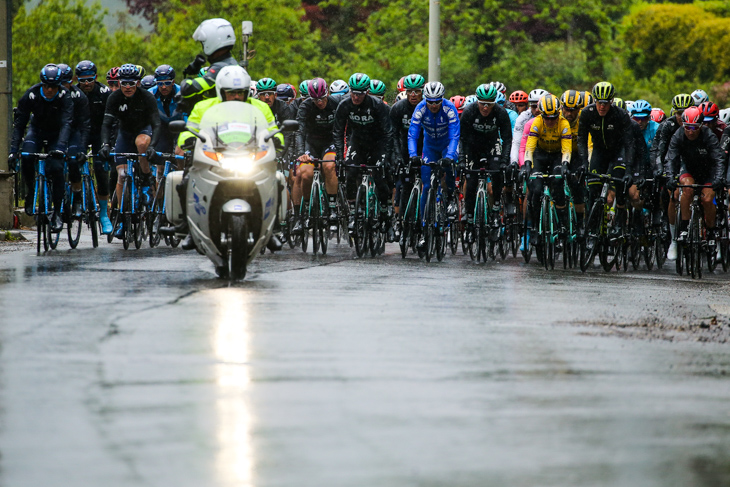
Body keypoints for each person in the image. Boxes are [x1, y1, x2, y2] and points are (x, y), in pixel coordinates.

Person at [176, 65, 284, 252]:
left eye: (240, 93)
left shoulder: (261, 107)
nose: (236, 97)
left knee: (277, 180)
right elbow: (187, 132)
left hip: (249, 157)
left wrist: (277, 139)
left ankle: (272, 229)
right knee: (185, 181)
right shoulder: (203, 107)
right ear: (221, 92)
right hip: (216, 158)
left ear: (247, 92)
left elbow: (274, 131)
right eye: (231, 93)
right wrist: (189, 139)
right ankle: (189, 229)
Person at [99, 64, 161, 239]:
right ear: (119, 83)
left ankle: (147, 179)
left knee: (141, 143)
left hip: (144, 131)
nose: (127, 87)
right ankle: (121, 216)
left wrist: (153, 147)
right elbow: (106, 124)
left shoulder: (147, 97)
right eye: (123, 83)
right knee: (122, 174)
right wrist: (104, 144)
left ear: (138, 83)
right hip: (124, 134)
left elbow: (156, 124)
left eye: (131, 84)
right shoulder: (114, 98)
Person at [9, 64, 73, 232]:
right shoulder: (31, 95)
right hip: (36, 131)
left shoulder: (65, 96)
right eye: (46, 86)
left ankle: (57, 212)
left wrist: (61, 148)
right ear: (42, 84)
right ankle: (30, 193)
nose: (49, 90)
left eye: (53, 86)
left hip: (56, 134)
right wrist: (13, 151)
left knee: (57, 168)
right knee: (27, 156)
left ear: (59, 86)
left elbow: (67, 124)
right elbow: (19, 125)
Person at [333, 73, 394, 233]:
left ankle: (384, 209)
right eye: (353, 92)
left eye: (359, 93)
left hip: (377, 143)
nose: (355, 96)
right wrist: (339, 156)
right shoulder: (345, 105)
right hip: (357, 142)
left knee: (379, 174)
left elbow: (388, 133)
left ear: (367, 92)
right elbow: (338, 132)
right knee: (350, 172)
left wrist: (386, 157)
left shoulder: (378, 105)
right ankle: (354, 212)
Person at [407, 81, 460, 250]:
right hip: (429, 147)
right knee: (427, 186)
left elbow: (454, 136)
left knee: (450, 167)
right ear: (425, 100)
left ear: (442, 99)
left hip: (446, 146)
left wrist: (450, 156)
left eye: (437, 101)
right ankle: (424, 228)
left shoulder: (449, 109)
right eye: (430, 101)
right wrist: (413, 155)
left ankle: (451, 198)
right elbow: (412, 135)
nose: (433, 105)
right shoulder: (421, 108)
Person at [577, 81, 634, 237]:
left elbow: (629, 144)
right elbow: (581, 139)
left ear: (611, 102)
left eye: (606, 103)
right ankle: (592, 231)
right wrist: (583, 164)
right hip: (599, 153)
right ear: (595, 101)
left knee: (619, 184)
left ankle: (620, 224)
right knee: (592, 192)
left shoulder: (621, 115)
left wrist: (629, 169)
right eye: (599, 102)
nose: (602, 107)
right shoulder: (587, 113)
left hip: (618, 153)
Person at [459, 83, 513, 241]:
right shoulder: (469, 111)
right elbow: (462, 139)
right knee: (470, 182)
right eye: (482, 103)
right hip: (472, 147)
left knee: (497, 173)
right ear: (477, 101)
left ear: (494, 103)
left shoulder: (500, 113)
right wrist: (462, 160)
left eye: (489, 104)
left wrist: (504, 161)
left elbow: (507, 139)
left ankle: (495, 209)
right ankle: (469, 222)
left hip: (492, 145)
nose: (485, 107)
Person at [665, 106, 725, 246]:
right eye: (687, 127)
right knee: (686, 189)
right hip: (689, 169)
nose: (690, 132)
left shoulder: (708, 135)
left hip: (708, 171)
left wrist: (719, 178)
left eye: (694, 128)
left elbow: (719, 159)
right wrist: (670, 177)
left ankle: (710, 231)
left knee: (708, 199)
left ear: (701, 126)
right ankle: (685, 228)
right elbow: (671, 158)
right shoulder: (678, 135)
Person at [292, 77, 341, 234]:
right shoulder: (305, 106)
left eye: (321, 98)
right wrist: (301, 153)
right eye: (315, 99)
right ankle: (305, 210)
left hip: (329, 142)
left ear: (327, 93)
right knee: (305, 174)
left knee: (329, 166)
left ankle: (332, 209)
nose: (319, 102)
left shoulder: (336, 103)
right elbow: (299, 131)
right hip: (311, 143)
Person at [523, 94, 572, 236]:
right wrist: (527, 164)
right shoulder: (537, 122)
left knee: (557, 184)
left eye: (554, 118)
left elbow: (567, 148)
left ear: (559, 114)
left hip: (557, 156)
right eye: (547, 118)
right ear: (542, 115)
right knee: (536, 190)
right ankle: (535, 227)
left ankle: (562, 223)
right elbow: (530, 147)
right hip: (540, 156)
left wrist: (565, 164)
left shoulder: (563, 124)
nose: (550, 121)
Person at [75, 60, 113, 233]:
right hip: (80, 132)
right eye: (83, 80)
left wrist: (108, 144)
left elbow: (110, 120)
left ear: (96, 78)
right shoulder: (73, 93)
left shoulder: (104, 93)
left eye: (90, 80)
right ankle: (74, 197)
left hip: (99, 133)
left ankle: (104, 213)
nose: (86, 83)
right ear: (77, 79)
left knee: (100, 167)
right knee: (72, 161)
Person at [390, 74, 425, 238]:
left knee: (428, 183)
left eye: (416, 91)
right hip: (404, 148)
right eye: (409, 91)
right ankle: (401, 219)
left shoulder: (428, 107)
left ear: (422, 92)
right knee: (404, 185)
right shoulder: (398, 108)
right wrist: (397, 157)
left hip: (425, 148)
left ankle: (426, 217)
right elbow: (394, 135)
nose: (413, 95)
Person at [178, 18, 239, 114]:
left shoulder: (220, 68)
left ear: (211, 42)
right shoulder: (232, 62)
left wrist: (187, 80)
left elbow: (188, 89)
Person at [57, 63, 91, 219]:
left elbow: (85, 125)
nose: (62, 87)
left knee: (73, 161)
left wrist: (82, 149)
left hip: (74, 131)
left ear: (71, 82)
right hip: (55, 131)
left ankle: (77, 195)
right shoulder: (48, 94)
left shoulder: (79, 97)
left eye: (65, 83)